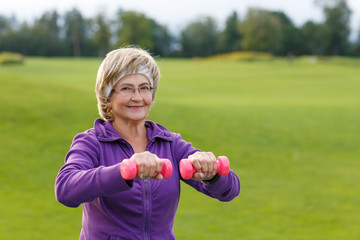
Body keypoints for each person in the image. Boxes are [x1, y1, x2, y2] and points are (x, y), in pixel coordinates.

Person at [55, 46, 240, 240]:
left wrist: (211, 174)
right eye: (126, 88)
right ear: (108, 96)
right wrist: (125, 170)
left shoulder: (169, 143)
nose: (137, 97)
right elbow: (66, 189)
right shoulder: (92, 142)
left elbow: (230, 190)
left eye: (144, 88)